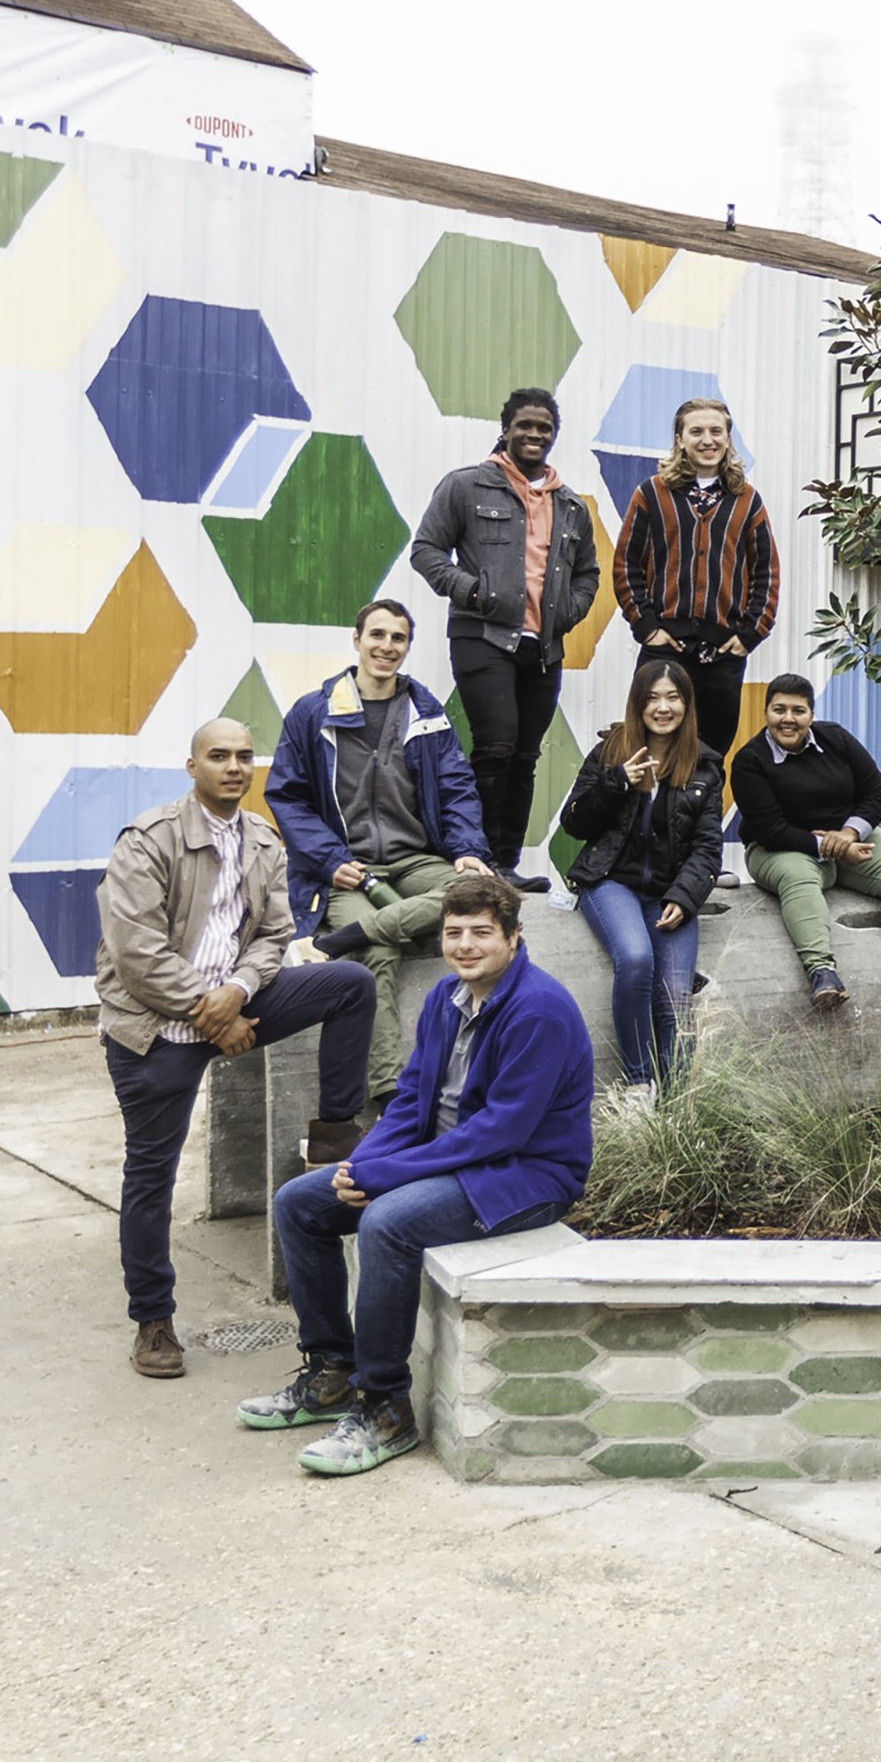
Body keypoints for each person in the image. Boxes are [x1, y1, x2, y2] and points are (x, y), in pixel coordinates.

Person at [240, 873, 593, 1474]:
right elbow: (409, 1101)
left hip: (525, 1178)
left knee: (388, 1223)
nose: (465, 946)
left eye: (482, 932)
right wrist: (365, 1162)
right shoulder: (444, 999)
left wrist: (389, 1178)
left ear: (514, 937)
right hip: (451, 1161)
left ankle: (384, 1406)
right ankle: (331, 1373)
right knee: (299, 1203)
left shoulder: (540, 1010)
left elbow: (498, 1133)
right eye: (454, 933)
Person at [94, 718, 378, 1380]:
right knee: (150, 1177)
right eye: (217, 755)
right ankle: (153, 1320)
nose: (232, 766)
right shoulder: (149, 840)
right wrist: (212, 1016)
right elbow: (136, 953)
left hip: (237, 1000)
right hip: (154, 1028)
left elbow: (275, 933)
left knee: (349, 985)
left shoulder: (262, 840)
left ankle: (336, 1136)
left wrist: (243, 989)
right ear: (191, 767)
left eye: (244, 757)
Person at [265, 598, 494, 1110]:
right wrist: (328, 860)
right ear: (357, 640)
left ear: (407, 647)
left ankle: (342, 937)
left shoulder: (426, 713)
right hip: (346, 869)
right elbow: (287, 795)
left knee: (479, 893)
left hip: (414, 859)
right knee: (380, 952)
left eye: (398, 639)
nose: (387, 647)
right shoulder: (313, 712)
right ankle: (390, 1090)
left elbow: (457, 789)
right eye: (378, 635)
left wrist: (466, 850)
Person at [410, 387, 600, 890]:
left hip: (544, 648)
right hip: (483, 637)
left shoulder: (571, 507)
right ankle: (477, 859)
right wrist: (472, 593)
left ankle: (506, 864)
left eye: (545, 428)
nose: (535, 434)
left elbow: (588, 574)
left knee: (525, 756)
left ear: (554, 435)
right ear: (506, 428)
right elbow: (426, 550)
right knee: (495, 746)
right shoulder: (467, 486)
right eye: (526, 425)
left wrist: (571, 613)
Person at [732, 673, 881, 1016]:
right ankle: (822, 973)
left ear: (811, 714)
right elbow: (770, 829)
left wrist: (851, 834)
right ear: (765, 713)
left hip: (849, 837)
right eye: (778, 709)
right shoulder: (749, 761)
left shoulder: (836, 738)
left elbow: (876, 792)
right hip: (780, 849)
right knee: (799, 878)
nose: (788, 719)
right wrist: (834, 847)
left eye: (798, 711)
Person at [561, 659, 726, 1093]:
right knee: (635, 960)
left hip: (669, 892)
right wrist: (616, 782)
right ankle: (639, 1085)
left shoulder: (706, 765)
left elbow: (708, 847)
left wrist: (686, 896)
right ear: (638, 703)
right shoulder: (611, 751)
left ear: (687, 705)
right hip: (610, 881)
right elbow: (574, 823)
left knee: (674, 997)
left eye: (673, 697)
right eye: (653, 698)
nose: (663, 707)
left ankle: (676, 1104)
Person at [612, 395, 779, 771]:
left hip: (722, 654)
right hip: (663, 650)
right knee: (649, 752)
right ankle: (647, 829)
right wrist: (646, 626)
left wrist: (750, 634)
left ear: (728, 439)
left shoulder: (747, 501)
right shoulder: (652, 494)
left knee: (710, 759)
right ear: (679, 439)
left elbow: (766, 572)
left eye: (716, 431)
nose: (708, 440)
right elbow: (625, 564)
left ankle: (701, 832)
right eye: (697, 431)